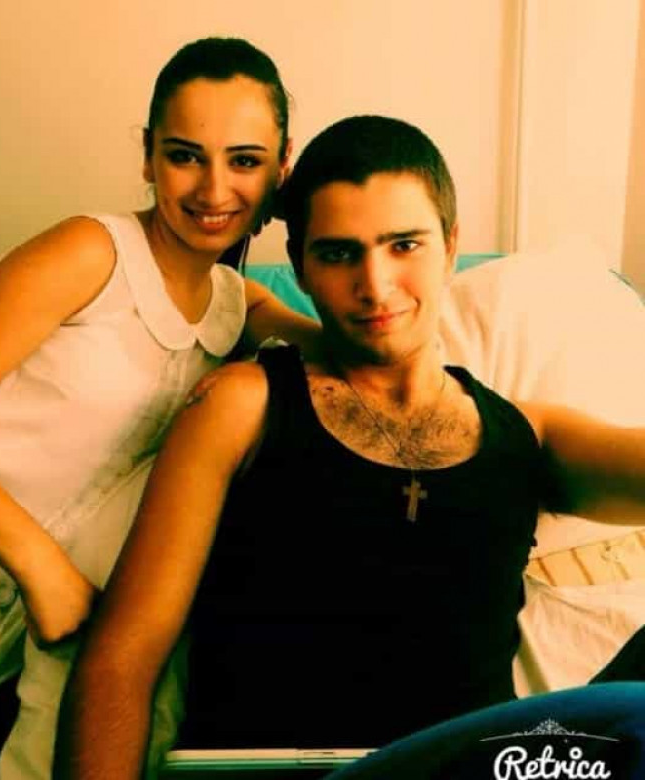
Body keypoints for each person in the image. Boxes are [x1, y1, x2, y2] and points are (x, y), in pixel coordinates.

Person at [54, 115, 645, 779]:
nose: (375, 285)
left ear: (450, 246)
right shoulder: (243, 406)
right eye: (338, 254)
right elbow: (125, 655)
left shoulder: (527, 435)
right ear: (301, 268)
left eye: (404, 245)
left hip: (471, 769)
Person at [0, 37, 319, 780]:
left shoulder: (234, 305)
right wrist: (40, 566)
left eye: (245, 160)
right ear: (147, 157)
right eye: (185, 156)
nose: (214, 189)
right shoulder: (92, 252)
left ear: (281, 165)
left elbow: (350, 346)